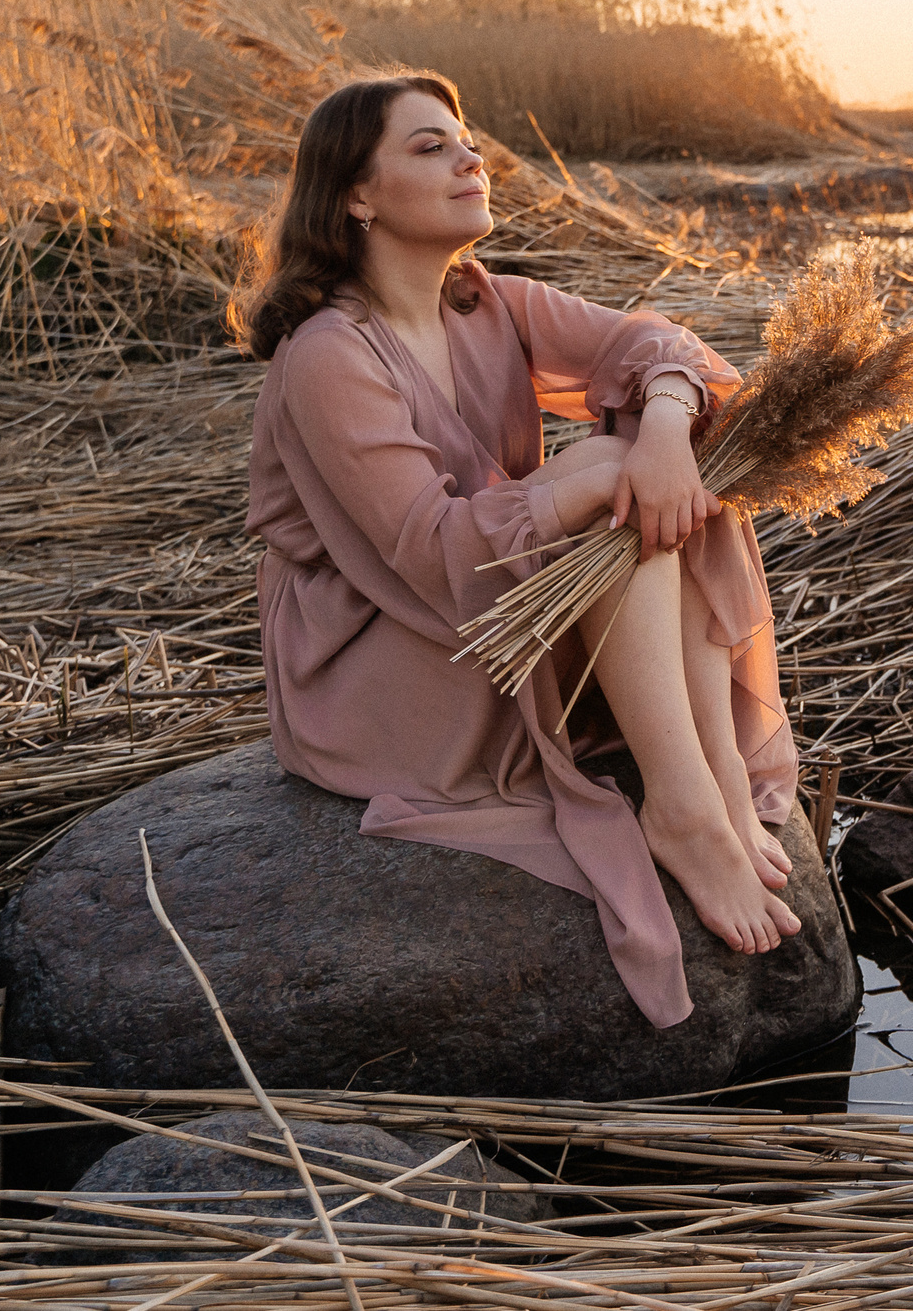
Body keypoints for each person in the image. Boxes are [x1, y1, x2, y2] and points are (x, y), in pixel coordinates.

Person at [232, 70, 797, 1030]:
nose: (471, 158)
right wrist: (597, 478)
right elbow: (431, 551)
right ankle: (686, 806)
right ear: (357, 196)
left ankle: (711, 785)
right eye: (431, 146)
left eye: (467, 140)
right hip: (377, 652)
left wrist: (664, 430)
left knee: (658, 461)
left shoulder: (482, 303)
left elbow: (665, 346)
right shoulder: (329, 353)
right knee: (615, 476)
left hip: (497, 608)